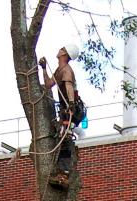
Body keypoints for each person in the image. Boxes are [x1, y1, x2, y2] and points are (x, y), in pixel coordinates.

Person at [39, 44, 80, 189]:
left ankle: (65, 174)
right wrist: (44, 68)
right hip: (66, 109)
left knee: (65, 138)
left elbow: (68, 87)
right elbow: (49, 83)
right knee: (63, 136)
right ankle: (62, 172)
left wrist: (70, 104)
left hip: (70, 109)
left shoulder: (67, 70)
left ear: (65, 53)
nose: (59, 49)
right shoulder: (60, 70)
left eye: (62, 48)